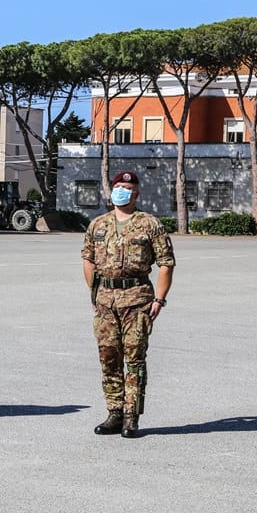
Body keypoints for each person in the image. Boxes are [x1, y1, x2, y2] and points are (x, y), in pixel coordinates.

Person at [81, 171, 175, 438]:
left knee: (134, 361)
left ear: (137, 193)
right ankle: (114, 413)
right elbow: (88, 259)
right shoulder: (98, 224)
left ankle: (131, 417)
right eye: (119, 186)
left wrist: (159, 299)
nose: (122, 190)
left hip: (137, 301)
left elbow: (166, 263)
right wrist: (95, 294)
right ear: (112, 190)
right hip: (105, 302)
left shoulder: (149, 224)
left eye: (128, 187)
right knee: (109, 359)